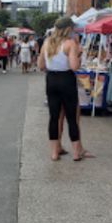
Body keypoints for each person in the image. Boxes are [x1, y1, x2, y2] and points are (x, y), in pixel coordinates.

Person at [38, 17, 93, 161]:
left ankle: (54, 153)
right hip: (66, 80)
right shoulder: (70, 43)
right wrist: (79, 55)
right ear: (68, 28)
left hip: (51, 80)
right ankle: (76, 153)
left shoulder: (46, 43)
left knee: (54, 117)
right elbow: (74, 66)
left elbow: (41, 66)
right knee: (71, 117)